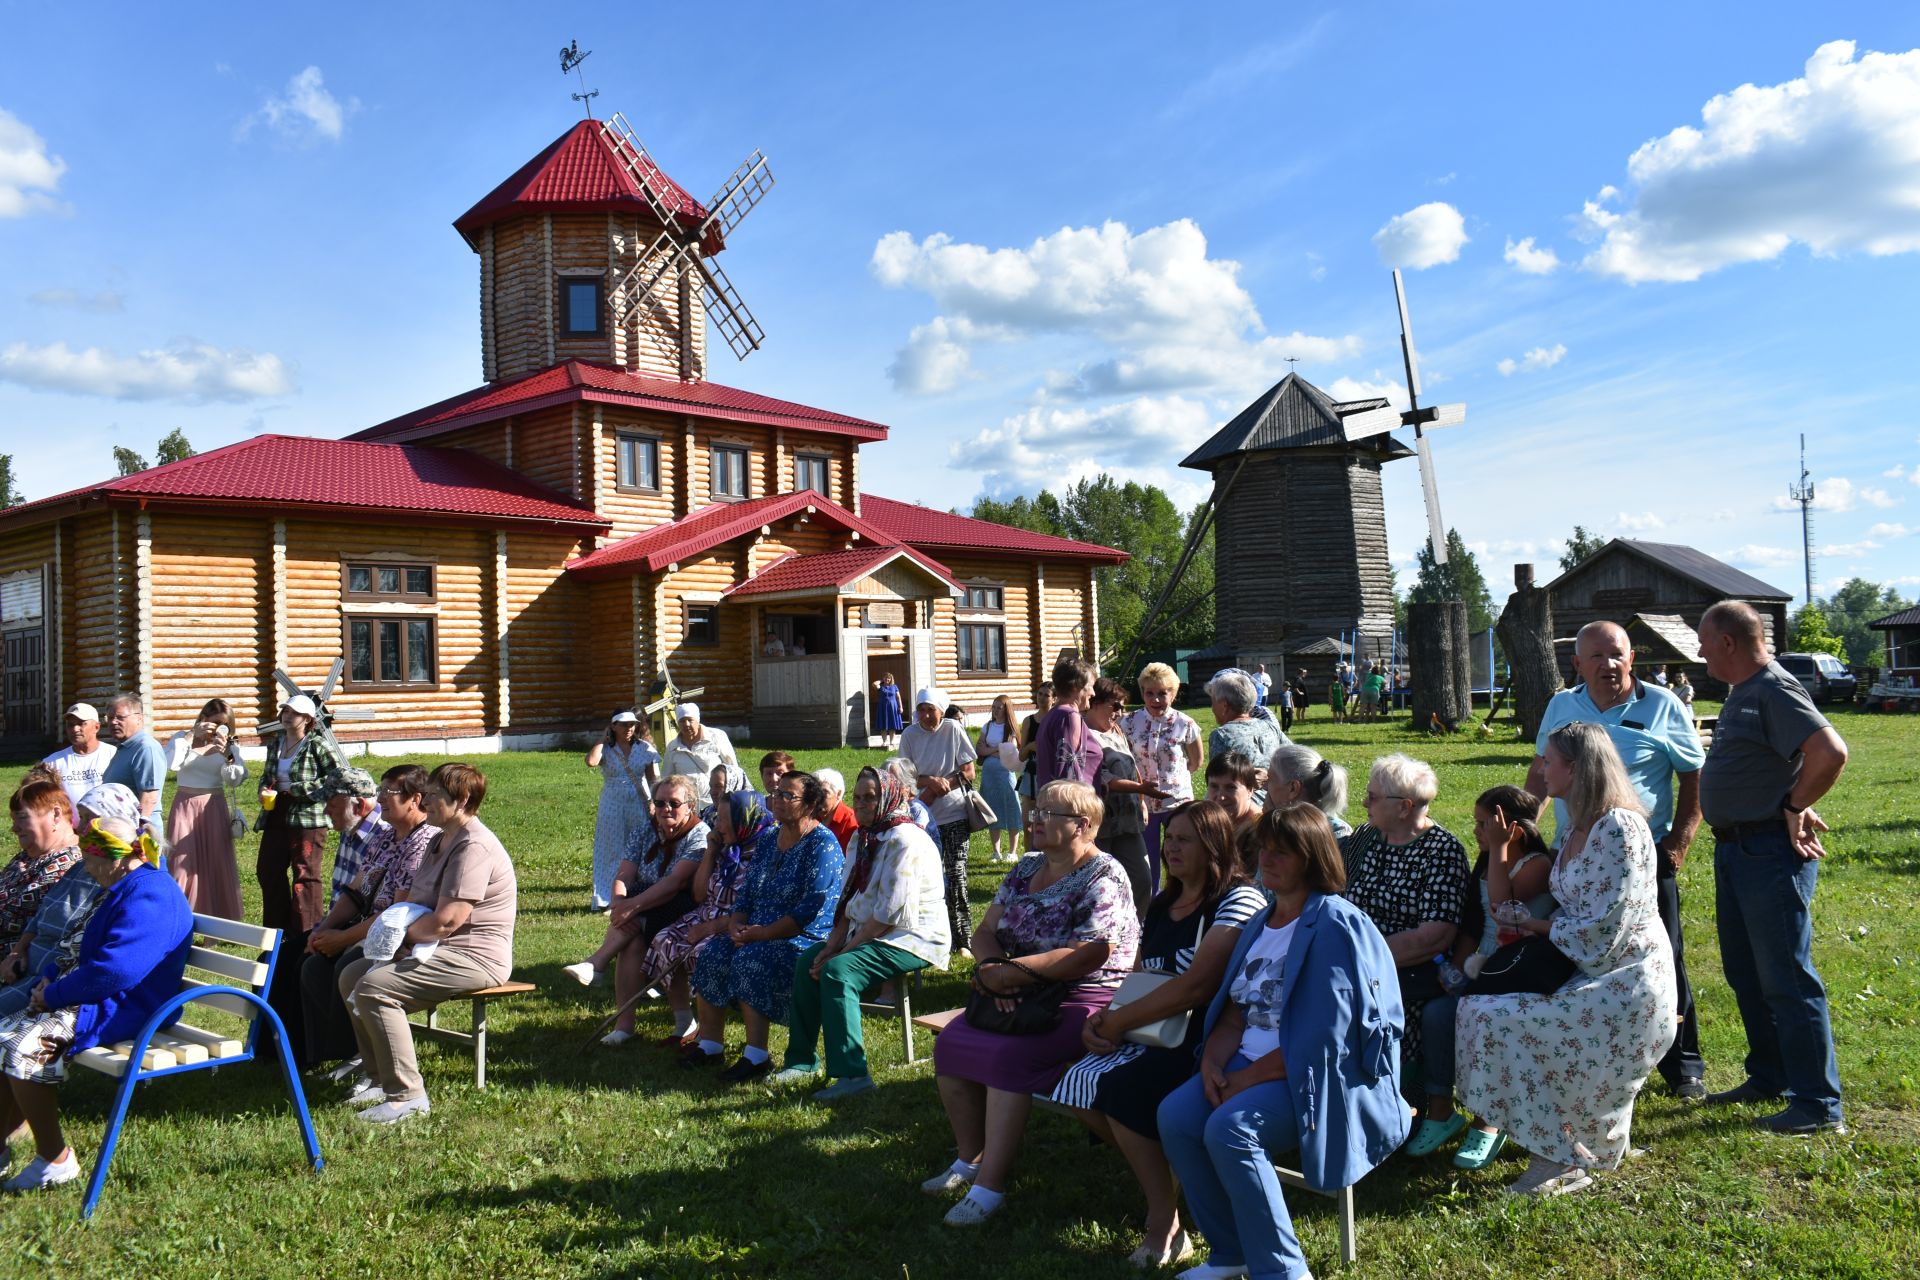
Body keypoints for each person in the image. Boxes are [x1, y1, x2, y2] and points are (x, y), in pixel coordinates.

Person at [1157, 804, 1409, 1280]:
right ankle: (1230, 1253)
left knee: (1231, 1129)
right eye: (1263, 849)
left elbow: (1327, 1040)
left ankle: (1284, 1271)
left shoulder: (1335, 924)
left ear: (1312, 858)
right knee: (1176, 1117)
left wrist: (1245, 1078)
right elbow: (1236, 1007)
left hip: (1311, 1078)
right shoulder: (1263, 917)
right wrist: (1213, 1060)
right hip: (1244, 1064)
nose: (1267, 860)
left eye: (1283, 852)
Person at [1456, 722, 1678, 1195]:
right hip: (1589, 967)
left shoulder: (1619, 827)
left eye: (1548, 760)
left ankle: (1556, 1153)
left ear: (1574, 768)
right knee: (1478, 1009)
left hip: (1627, 980)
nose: (1541, 769)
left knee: (1493, 1016)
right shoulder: (1579, 824)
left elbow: (1605, 926)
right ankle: (1559, 1141)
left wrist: (1534, 926)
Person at [1052, 800, 1267, 1266]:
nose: (1172, 848)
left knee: (1123, 1091)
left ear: (1215, 845)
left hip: (1208, 1036)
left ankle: (1164, 1222)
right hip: (1152, 1027)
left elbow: (1198, 986)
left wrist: (1119, 1022)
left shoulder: (1238, 899)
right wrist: (1105, 1016)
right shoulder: (1165, 902)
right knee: (1071, 1086)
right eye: (1171, 838)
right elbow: (1140, 973)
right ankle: (1168, 1172)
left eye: (1186, 839)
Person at [924, 780, 1140, 1226]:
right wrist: (990, 970)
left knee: (1010, 1056)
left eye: (1047, 813)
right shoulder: (1025, 867)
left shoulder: (1106, 874)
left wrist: (1013, 974)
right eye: (1036, 809)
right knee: (951, 1045)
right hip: (1013, 985)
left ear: (1082, 825)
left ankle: (991, 1186)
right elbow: (985, 930)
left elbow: (1091, 952)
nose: (1034, 818)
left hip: (1085, 996)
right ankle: (969, 1159)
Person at [1525, 619, 1708, 1099]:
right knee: (1582, 952)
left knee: (1662, 954)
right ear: (1578, 663)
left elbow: (1694, 776)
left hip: (1641, 855)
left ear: (1632, 659)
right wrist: (1528, 827)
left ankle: (1682, 1063)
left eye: (1618, 655)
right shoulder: (1562, 706)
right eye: (1597, 657)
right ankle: (1594, 1054)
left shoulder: (1663, 705)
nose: (1609, 665)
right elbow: (1543, 769)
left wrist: (1680, 843)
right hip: (1576, 856)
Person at [1696, 599, 1849, 1134]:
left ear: (1729, 644)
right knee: (1746, 972)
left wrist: (1792, 805)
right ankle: (1771, 1074)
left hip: (1767, 852)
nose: (1699, 650)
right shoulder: (1745, 691)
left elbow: (1829, 752)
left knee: (1786, 975)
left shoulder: (1774, 688)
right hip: (1736, 849)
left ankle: (1818, 1104)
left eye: (1704, 641)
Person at [0, 815, 192, 1191]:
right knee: (3, 1032)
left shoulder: (149, 894)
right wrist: (50, 978)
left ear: (115, 858)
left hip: (126, 1008)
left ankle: (55, 1159)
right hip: (94, 997)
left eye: (89, 860)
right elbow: (81, 945)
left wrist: (54, 994)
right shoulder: (125, 884)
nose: (86, 869)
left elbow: (116, 971)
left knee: (21, 1047)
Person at [338, 762, 517, 1124]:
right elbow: (418, 906)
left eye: (435, 796)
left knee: (374, 988)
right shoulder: (439, 838)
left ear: (462, 799)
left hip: (475, 958)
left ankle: (407, 1097)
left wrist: (400, 938)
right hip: (438, 946)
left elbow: (447, 920)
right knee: (351, 975)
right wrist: (400, 939)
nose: (427, 802)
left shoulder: (474, 846)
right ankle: (377, 1078)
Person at [775, 764, 951, 1099]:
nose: (861, 804)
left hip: (912, 936)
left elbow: (888, 915)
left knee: (839, 972)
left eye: (870, 797)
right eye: (857, 798)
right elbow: (848, 899)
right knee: (807, 961)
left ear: (888, 797)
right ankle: (801, 1061)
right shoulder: (863, 836)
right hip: (874, 930)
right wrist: (830, 945)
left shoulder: (906, 840)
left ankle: (854, 1075)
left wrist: (841, 954)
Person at [1405, 784, 1554, 1165]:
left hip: (1517, 967)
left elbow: (1502, 906)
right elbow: (1473, 924)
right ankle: (1441, 1110)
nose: (1476, 832)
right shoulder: (1488, 859)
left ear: (1513, 830)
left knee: (1484, 1020)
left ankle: (1490, 1120)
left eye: (1483, 824)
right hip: (1483, 964)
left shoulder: (1536, 864)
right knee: (1437, 1013)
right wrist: (1456, 967)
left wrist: (1500, 848)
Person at [687, 771, 844, 1082]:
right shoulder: (770, 839)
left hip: (802, 937)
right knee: (713, 952)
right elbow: (746, 894)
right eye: (777, 794)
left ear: (810, 804)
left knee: (751, 960)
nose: (779, 800)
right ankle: (710, 1045)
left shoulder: (822, 844)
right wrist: (736, 925)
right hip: (755, 932)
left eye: (789, 796)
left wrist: (762, 934)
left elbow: (809, 911)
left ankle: (756, 1056)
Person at [1340, 753, 1471, 1090]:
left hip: (1406, 972)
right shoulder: (1366, 839)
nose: (1364, 801)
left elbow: (1433, 936)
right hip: (1355, 961)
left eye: (1373, 796)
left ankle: (1396, 1098)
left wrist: (1360, 960)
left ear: (1403, 807)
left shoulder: (1442, 851)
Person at [300, 765, 439, 1074]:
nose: (381, 800)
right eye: (381, 792)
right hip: (369, 926)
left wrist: (343, 939)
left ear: (415, 799)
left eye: (389, 793)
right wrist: (326, 928)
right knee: (312, 963)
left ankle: (360, 1055)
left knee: (343, 966)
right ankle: (330, 1052)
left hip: (397, 936)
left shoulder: (424, 841)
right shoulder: (386, 837)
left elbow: (396, 914)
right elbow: (355, 892)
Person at [561, 776, 710, 1045]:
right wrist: (619, 902)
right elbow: (624, 873)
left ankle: (598, 962)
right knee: (631, 944)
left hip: (684, 904)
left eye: (674, 803)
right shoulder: (646, 830)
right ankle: (626, 1025)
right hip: (645, 902)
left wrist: (631, 907)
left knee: (635, 924)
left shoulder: (700, 834)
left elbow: (675, 883)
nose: (666, 809)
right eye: (660, 803)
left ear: (690, 806)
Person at [633, 787, 776, 1049]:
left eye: (724, 819)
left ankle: (708, 1035)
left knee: (700, 951)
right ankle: (685, 1023)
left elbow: (755, 908)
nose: (718, 825)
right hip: (707, 912)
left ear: (744, 819)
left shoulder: (765, 852)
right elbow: (700, 895)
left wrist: (708, 928)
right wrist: (710, 852)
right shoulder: (726, 848)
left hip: (735, 924)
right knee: (665, 939)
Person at [257, 694, 349, 938]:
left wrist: (297, 789)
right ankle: (277, 931)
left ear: (307, 719)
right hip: (276, 811)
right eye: (285, 711)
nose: (287, 716)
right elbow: (267, 775)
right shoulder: (276, 744)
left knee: (305, 874)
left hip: (308, 816)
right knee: (268, 869)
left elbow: (337, 777)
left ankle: (306, 931)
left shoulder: (317, 744)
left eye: (294, 713)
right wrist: (263, 789)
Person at [899, 686, 979, 955]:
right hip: (923, 816)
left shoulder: (953, 730)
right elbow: (903, 775)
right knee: (928, 879)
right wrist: (929, 783)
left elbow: (969, 771)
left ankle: (963, 939)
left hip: (954, 813)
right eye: (921, 710)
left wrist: (939, 787)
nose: (925, 716)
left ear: (941, 711)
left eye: (930, 710)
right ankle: (932, 936)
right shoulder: (910, 735)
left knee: (956, 874)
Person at [162, 699, 248, 917]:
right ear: (202, 719)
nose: (218, 728)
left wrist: (228, 755)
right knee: (181, 862)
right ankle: (179, 917)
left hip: (213, 806)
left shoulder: (229, 746)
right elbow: (171, 764)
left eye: (224, 724)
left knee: (215, 862)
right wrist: (191, 735)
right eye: (214, 723)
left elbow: (236, 780)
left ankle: (218, 923)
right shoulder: (182, 738)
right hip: (185, 805)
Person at [1121, 663, 1203, 888]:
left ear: (1173, 694)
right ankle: (1151, 903)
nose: (1155, 699)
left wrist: (1175, 778)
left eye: (1162, 693)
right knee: (1147, 860)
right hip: (1143, 801)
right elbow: (1124, 758)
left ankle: (1179, 896)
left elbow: (1196, 761)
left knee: (1179, 856)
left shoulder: (1185, 723)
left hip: (1176, 801)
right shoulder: (1128, 722)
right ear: (1142, 693)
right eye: (1150, 693)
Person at [1086, 678, 1156, 917]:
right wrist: (1140, 789)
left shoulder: (1116, 732)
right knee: (1100, 882)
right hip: (1100, 821)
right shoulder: (1084, 734)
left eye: (1123, 707)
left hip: (1128, 819)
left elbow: (1131, 765)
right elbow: (1101, 778)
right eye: (1115, 706)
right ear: (1094, 703)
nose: (1120, 712)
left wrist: (1142, 801)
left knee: (1141, 878)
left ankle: (1138, 928)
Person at [1, 781, 85, 959]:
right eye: (13, 820)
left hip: (16, 957)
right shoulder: (30, 855)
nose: (14, 828)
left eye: (22, 817)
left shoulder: (69, 863)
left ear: (55, 814)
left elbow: (16, 917)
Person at [586, 710, 658, 912]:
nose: (629, 729)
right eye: (624, 725)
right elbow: (591, 761)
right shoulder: (606, 750)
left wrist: (655, 801)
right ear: (614, 726)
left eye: (632, 725)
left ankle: (634, 893)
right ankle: (606, 897)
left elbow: (652, 778)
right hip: (612, 802)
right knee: (610, 848)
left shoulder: (644, 749)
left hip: (637, 801)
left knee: (637, 846)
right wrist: (603, 738)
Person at [1205, 670, 1286, 787]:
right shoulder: (1270, 727)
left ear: (1224, 706)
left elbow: (1217, 784)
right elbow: (1294, 758)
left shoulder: (1221, 735)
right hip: (1277, 799)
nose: (1212, 708)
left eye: (1213, 702)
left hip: (1242, 803)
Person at [1035, 658, 1101, 792]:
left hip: (1052, 801)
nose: (1093, 693)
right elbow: (1068, 771)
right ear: (1076, 687)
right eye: (1091, 686)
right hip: (1071, 806)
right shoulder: (1069, 717)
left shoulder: (1052, 715)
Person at [101, 694, 168, 821]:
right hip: (120, 827)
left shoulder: (146, 748)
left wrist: (139, 833)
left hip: (136, 831)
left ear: (139, 718)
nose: (113, 722)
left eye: (120, 718)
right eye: (110, 718)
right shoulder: (125, 747)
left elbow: (149, 796)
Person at [975, 695, 1025, 863]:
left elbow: (1009, 750)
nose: (995, 711)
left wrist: (990, 749)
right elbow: (979, 748)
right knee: (992, 807)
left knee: (1011, 806)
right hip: (989, 774)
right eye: (994, 707)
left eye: (999, 708)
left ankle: (1012, 850)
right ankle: (996, 851)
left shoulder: (1010, 729)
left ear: (1006, 710)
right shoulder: (987, 726)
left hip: (1005, 773)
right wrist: (995, 750)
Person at [41, 704, 117, 813]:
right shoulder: (52, 763)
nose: (75, 729)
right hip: (71, 828)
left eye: (81, 724)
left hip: (107, 827)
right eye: (70, 725)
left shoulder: (113, 755)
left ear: (97, 727)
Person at [661, 704, 739, 810]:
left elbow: (733, 769)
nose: (686, 724)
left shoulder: (717, 737)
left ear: (698, 720)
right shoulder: (673, 747)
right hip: (687, 806)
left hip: (717, 803)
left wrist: (734, 798)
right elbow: (666, 778)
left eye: (690, 720)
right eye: (682, 721)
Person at [1266, 744, 1352, 838]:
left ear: (1293, 788)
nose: (1264, 786)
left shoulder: (1335, 835)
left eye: (1270, 779)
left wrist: (1272, 823)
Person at [1204, 752, 1263, 847]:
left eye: (1230, 787)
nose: (1221, 797)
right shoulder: (1206, 822)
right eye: (1214, 786)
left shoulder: (1261, 832)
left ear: (1250, 790)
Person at [1016, 681, 1053, 830]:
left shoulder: (1055, 720)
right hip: (1031, 776)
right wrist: (1031, 747)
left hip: (1050, 776)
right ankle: (1029, 853)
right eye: (1040, 694)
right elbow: (1021, 756)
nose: (1042, 698)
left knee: (1045, 824)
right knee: (1028, 824)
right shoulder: (1029, 721)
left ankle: (1045, 853)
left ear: (1054, 699)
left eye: (1047, 695)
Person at [816, 767, 859, 852]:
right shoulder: (812, 815)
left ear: (838, 794)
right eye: (814, 791)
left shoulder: (850, 822)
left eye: (824, 793)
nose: (817, 797)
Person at [873, 672, 905, 749]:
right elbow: (874, 684)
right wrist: (881, 681)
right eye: (886, 678)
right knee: (883, 725)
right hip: (883, 707)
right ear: (883, 678)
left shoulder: (894, 687)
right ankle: (884, 742)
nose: (887, 679)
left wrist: (901, 707)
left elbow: (898, 697)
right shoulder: (881, 687)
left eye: (889, 678)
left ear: (891, 679)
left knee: (892, 725)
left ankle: (892, 742)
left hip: (893, 707)